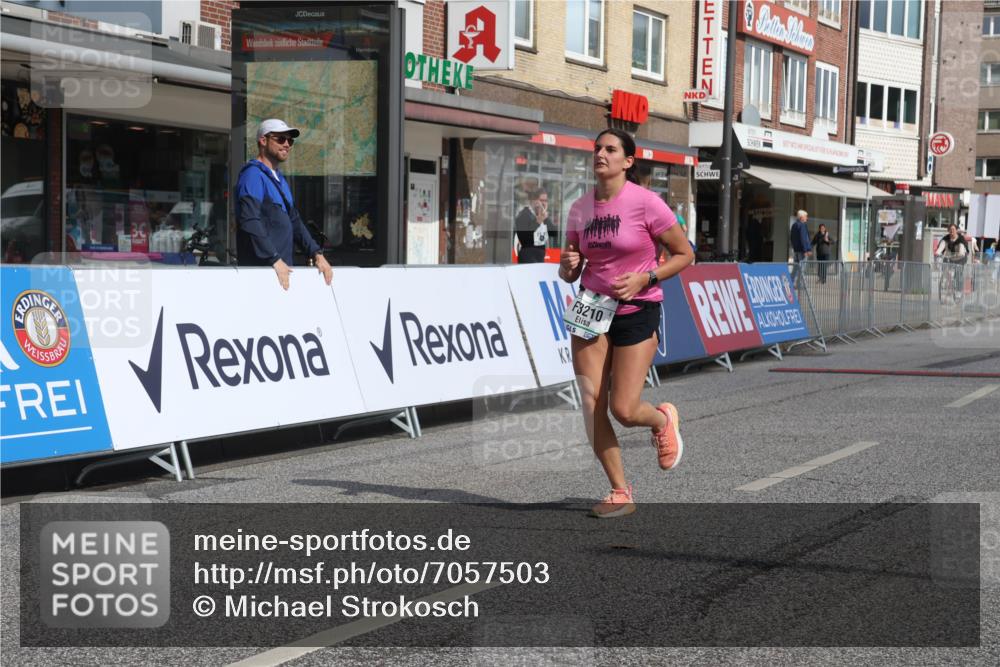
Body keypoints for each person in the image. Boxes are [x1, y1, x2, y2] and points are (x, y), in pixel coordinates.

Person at [559, 128, 694, 519]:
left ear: (628, 161)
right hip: (590, 309)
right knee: (591, 405)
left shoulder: (647, 204)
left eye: (610, 149)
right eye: (597, 148)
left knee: (624, 408)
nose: (600, 154)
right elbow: (571, 268)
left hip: (637, 309)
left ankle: (661, 419)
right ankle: (620, 491)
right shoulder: (579, 208)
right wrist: (569, 267)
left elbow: (685, 254)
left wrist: (646, 278)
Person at [236, 118, 333, 290]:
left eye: (290, 140)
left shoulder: (279, 179)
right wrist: (274, 258)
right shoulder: (252, 175)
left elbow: (295, 222)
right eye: (280, 139)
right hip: (262, 273)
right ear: (263, 141)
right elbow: (249, 221)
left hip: (280, 271)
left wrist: (316, 253)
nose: (287, 144)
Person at [514, 187, 549, 264]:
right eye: (541, 200)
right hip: (528, 259)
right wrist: (538, 222)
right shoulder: (523, 215)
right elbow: (524, 239)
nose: (544, 203)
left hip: (540, 258)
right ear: (534, 201)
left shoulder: (542, 216)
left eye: (546, 201)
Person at [936, 223, 968, 300]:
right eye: (950, 230)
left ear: (956, 230)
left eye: (953, 230)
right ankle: (945, 282)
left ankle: (958, 291)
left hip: (960, 258)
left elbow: (961, 252)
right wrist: (938, 254)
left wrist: (957, 255)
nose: (951, 231)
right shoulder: (946, 238)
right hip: (949, 257)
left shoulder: (961, 239)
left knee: (958, 273)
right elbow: (940, 248)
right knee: (944, 267)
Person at [789, 210, 812, 287]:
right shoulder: (802, 225)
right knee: (802, 268)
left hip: (796, 250)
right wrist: (806, 250)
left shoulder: (794, 225)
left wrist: (795, 248)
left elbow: (792, 238)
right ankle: (800, 284)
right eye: (806, 216)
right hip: (802, 251)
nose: (807, 218)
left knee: (795, 268)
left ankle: (790, 282)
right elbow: (804, 238)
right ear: (801, 217)